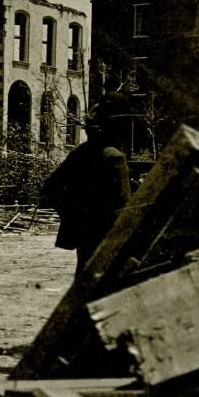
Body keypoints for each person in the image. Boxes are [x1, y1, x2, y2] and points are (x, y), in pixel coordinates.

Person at [40, 92, 132, 277]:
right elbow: (125, 206)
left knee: (83, 280)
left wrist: (73, 215)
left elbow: (50, 189)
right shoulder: (114, 158)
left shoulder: (81, 153)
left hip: (84, 237)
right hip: (108, 239)